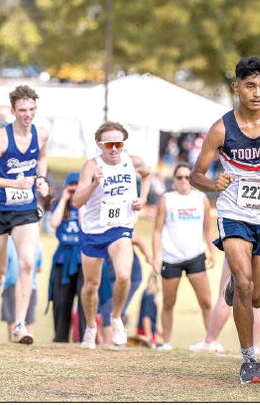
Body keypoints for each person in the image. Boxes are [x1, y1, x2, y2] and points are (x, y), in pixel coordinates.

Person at [190, 56, 260, 384]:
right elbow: (196, 174)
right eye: (250, 86)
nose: (257, 93)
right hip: (234, 213)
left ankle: (236, 288)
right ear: (236, 87)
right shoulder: (221, 128)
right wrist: (213, 184)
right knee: (245, 283)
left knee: (257, 296)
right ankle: (249, 359)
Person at [0, 85, 50, 344]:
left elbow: (42, 158)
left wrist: (41, 180)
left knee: (27, 263)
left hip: (25, 209)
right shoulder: (2, 138)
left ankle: (19, 326)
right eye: (22, 110)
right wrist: (13, 184)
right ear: (13, 111)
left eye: (31, 109)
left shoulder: (42, 133)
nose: (27, 115)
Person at [72, 121, 151, 349]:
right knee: (91, 285)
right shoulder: (91, 166)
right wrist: (94, 184)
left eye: (118, 143)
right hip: (94, 230)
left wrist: (142, 198)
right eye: (109, 144)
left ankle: (116, 318)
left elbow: (147, 175)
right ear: (100, 144)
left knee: (124, 275)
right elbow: (77, 201)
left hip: (120, 226)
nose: (114, 149)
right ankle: (90, 327)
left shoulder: (132, 161)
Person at [151, 163, 215, 351]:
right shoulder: (166, 199)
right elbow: (156, 231)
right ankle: (166, 342)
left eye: (188, 177)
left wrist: (211, 252)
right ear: (174, 180)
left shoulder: (201, 199)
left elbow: (207, 229)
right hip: (171, 258)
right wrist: (155, 257)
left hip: (195, 256)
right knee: (168, 303)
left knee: (206, 301)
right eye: (180, 177)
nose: (184, 181)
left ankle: (210, 341)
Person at [189, 257, 260, 354]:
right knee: (258, 298)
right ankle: (253, 346)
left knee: (224, 296)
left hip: (239, 247)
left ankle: (209, 341)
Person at [48, 171, 85, 343]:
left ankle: (85, 337)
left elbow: (85, 226)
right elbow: (54, 223)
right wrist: (64, 199)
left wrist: (80, 202)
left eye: (77, 184)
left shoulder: (87, 204)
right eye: (71, 184)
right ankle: (60, 337)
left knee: (85, 299)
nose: (74, 188)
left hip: (82, 256)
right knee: (61, 300)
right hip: (64, 255)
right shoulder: (59, 205)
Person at [98, 232, 152, 346]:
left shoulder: (118, 228)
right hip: (111, 277)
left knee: (109, 310)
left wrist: (148, 257)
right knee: (105, 309)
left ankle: (110, 344)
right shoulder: (96, 231)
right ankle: (109, 342)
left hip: (130, 278)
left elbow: (137, 239)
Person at [1, 238, 43, 341]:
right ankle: (27, 346)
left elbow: (3, 265)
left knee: (12, 320)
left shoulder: (9, 242)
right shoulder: (37, 242)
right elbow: (39, 268)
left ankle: (14, 342)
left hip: (12, 284)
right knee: (29, 321)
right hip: (30, 286)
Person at [136, 270, 162, 347]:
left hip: (150, 331)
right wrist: (149, 337)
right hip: (145, 332)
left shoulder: (152, 295)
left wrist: (159, 331)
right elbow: (146, 317)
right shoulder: (149, 295)